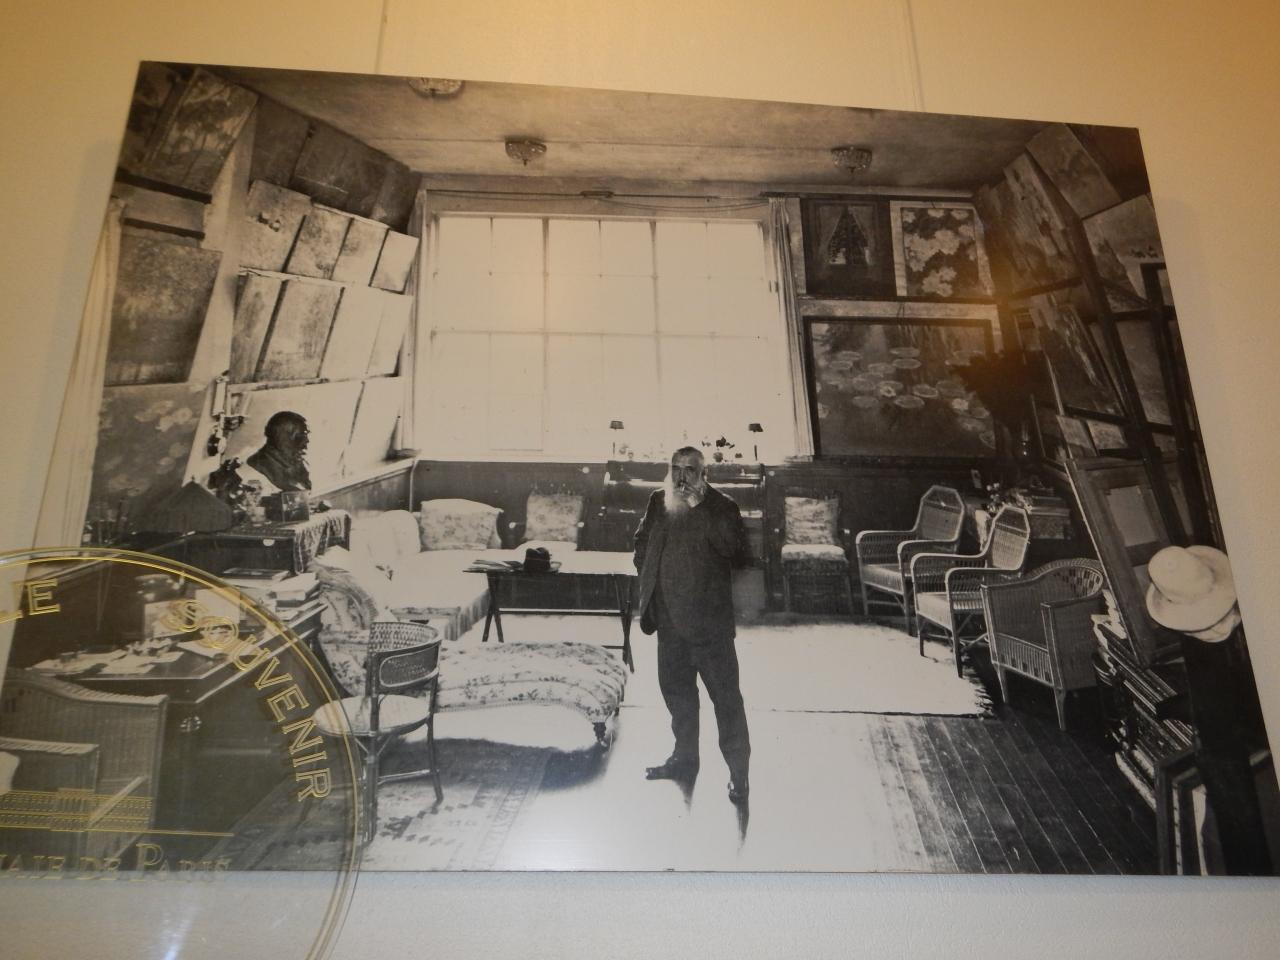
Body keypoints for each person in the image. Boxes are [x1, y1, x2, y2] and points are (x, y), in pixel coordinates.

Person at [633, 445, 752, 803]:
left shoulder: (722, 506)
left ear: (704, 474)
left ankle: (739, 775)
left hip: (709, 627)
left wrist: (700, 506)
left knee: (726, 702)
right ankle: (684, 760)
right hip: (669, 622)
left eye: (689, 469)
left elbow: (735, 551)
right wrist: (650, 578)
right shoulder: (658, 501)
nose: (681, 477)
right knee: (678, 696)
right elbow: (641, 542)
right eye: (676, 468)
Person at [246, 411, 312, 492]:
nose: (306, 441)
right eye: (299, 436)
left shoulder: (297, 463)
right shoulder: (257, 468)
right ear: (281, 438)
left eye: (305, 435)